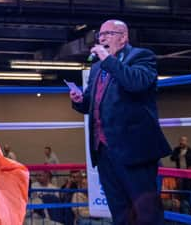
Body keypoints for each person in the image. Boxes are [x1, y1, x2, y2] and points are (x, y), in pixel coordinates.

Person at [69, 19, 170, 225]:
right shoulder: (97, 68)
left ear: (123, 37)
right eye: (100, 34)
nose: (102, 37)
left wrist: (108, 60)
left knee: (146, 212)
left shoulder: (141, 56)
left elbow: (137, 83)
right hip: (104, 151)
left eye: (109, 33)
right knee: (120, 211)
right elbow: (93, 103)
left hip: (135, 150)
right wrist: (80, 100)